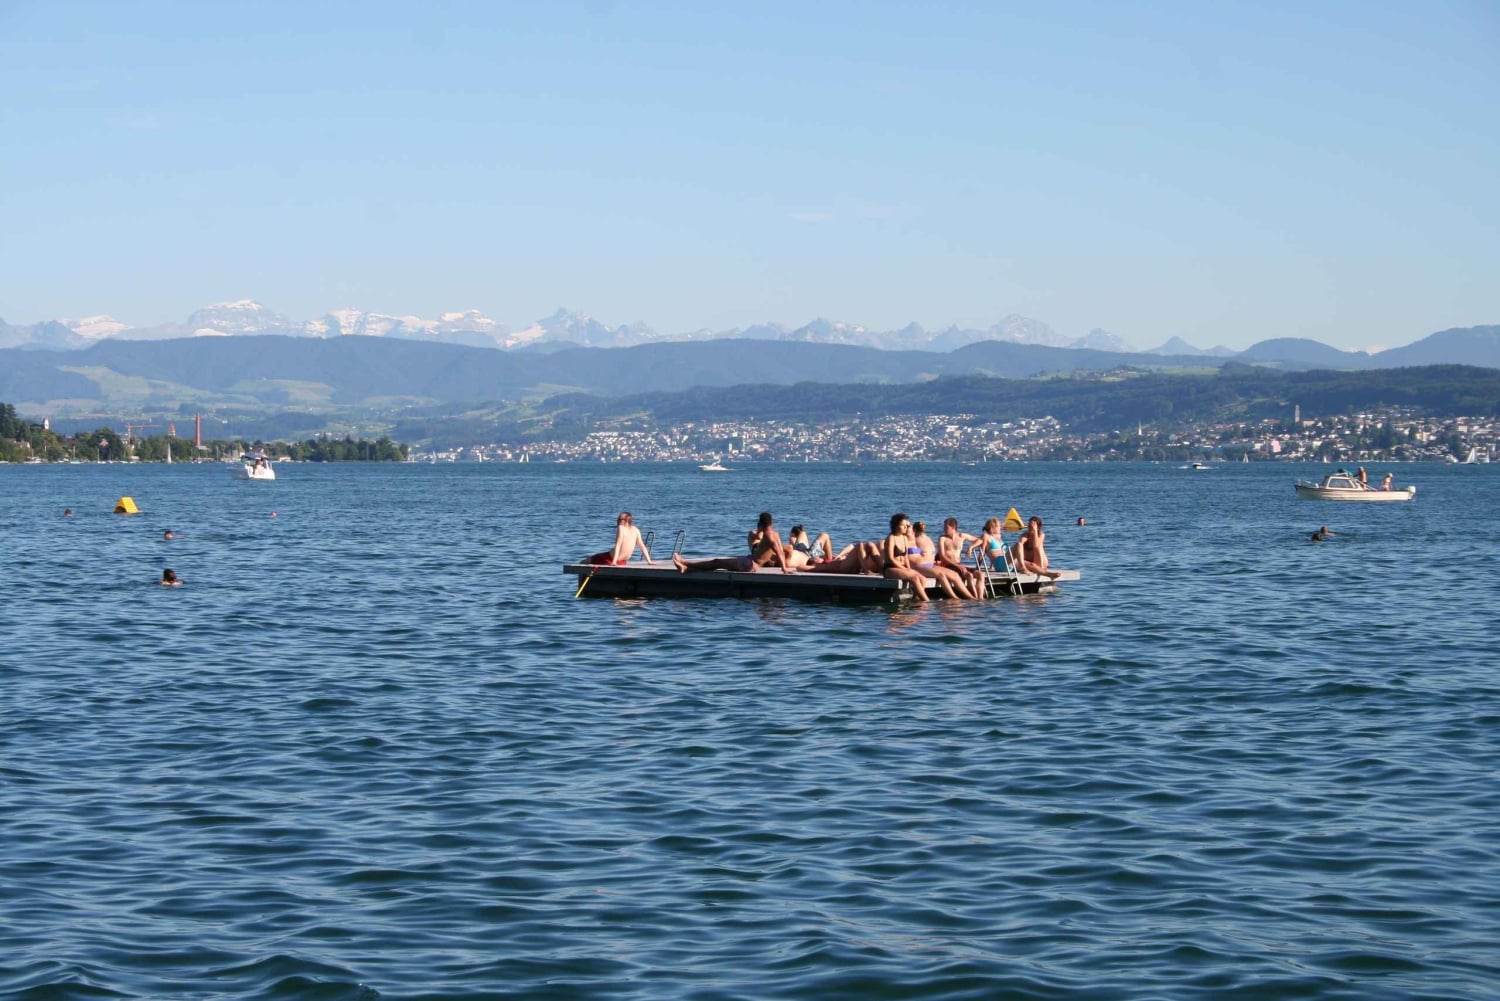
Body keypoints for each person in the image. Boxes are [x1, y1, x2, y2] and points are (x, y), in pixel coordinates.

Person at [674, 511, 794, 574]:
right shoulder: (775, 534)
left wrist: (784, 569)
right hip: (750, 561)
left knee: (717, 562)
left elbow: (778, 552)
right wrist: (784, 568)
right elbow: (780, 552)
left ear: (761, 523)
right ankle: (687, 569)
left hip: (750, 564)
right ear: (771, 523)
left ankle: (685, 563)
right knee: (719, 564)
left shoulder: (768, 536)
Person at [913, 521, 975, 599]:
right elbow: (914, 555)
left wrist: (934, 561)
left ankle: (970, 597)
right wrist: (921, 552)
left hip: (929, 564)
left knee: (955, 575)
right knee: (942, 575)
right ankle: (955, 598)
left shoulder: (927, 538)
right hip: (922, 565)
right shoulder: (914, 540)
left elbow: (927, 553)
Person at [881, 513, 935, 601]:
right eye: (903, 525)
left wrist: (909, 568)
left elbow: (906, 557)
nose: (906, 527)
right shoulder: (891, 538)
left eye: (906, 525)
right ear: (896, 526)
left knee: (923, 579)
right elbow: (890, 558)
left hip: (902, 568)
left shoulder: (904, 538)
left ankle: (916, 599)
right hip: (890, 568)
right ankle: (926, 601)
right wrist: (904, 568)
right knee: (914, 578)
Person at [938, 518, 986, 591]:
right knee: (969, 575)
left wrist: (970, 547)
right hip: (947, 565)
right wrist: (957, 565)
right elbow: (942, 557)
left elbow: (980, 540)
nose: (944, 529)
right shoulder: (942, 538)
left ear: (953, 527)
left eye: (946, 527)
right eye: (944, 527)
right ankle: (972, 597)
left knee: (981, 574)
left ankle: (979, 599)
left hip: (958, 565)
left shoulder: (961, 536)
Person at [802, 540, 883, 575]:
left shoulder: (827, 559)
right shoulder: (820, 566)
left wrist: (839, 555)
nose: (816, 557)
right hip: (844, 567)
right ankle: (867, 571)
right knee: (860, 545)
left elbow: (850, 546)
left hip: (850, 564)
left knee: (870, 545)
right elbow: (803, 567)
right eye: (814, 559)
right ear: (814, 563)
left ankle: (883, 569)